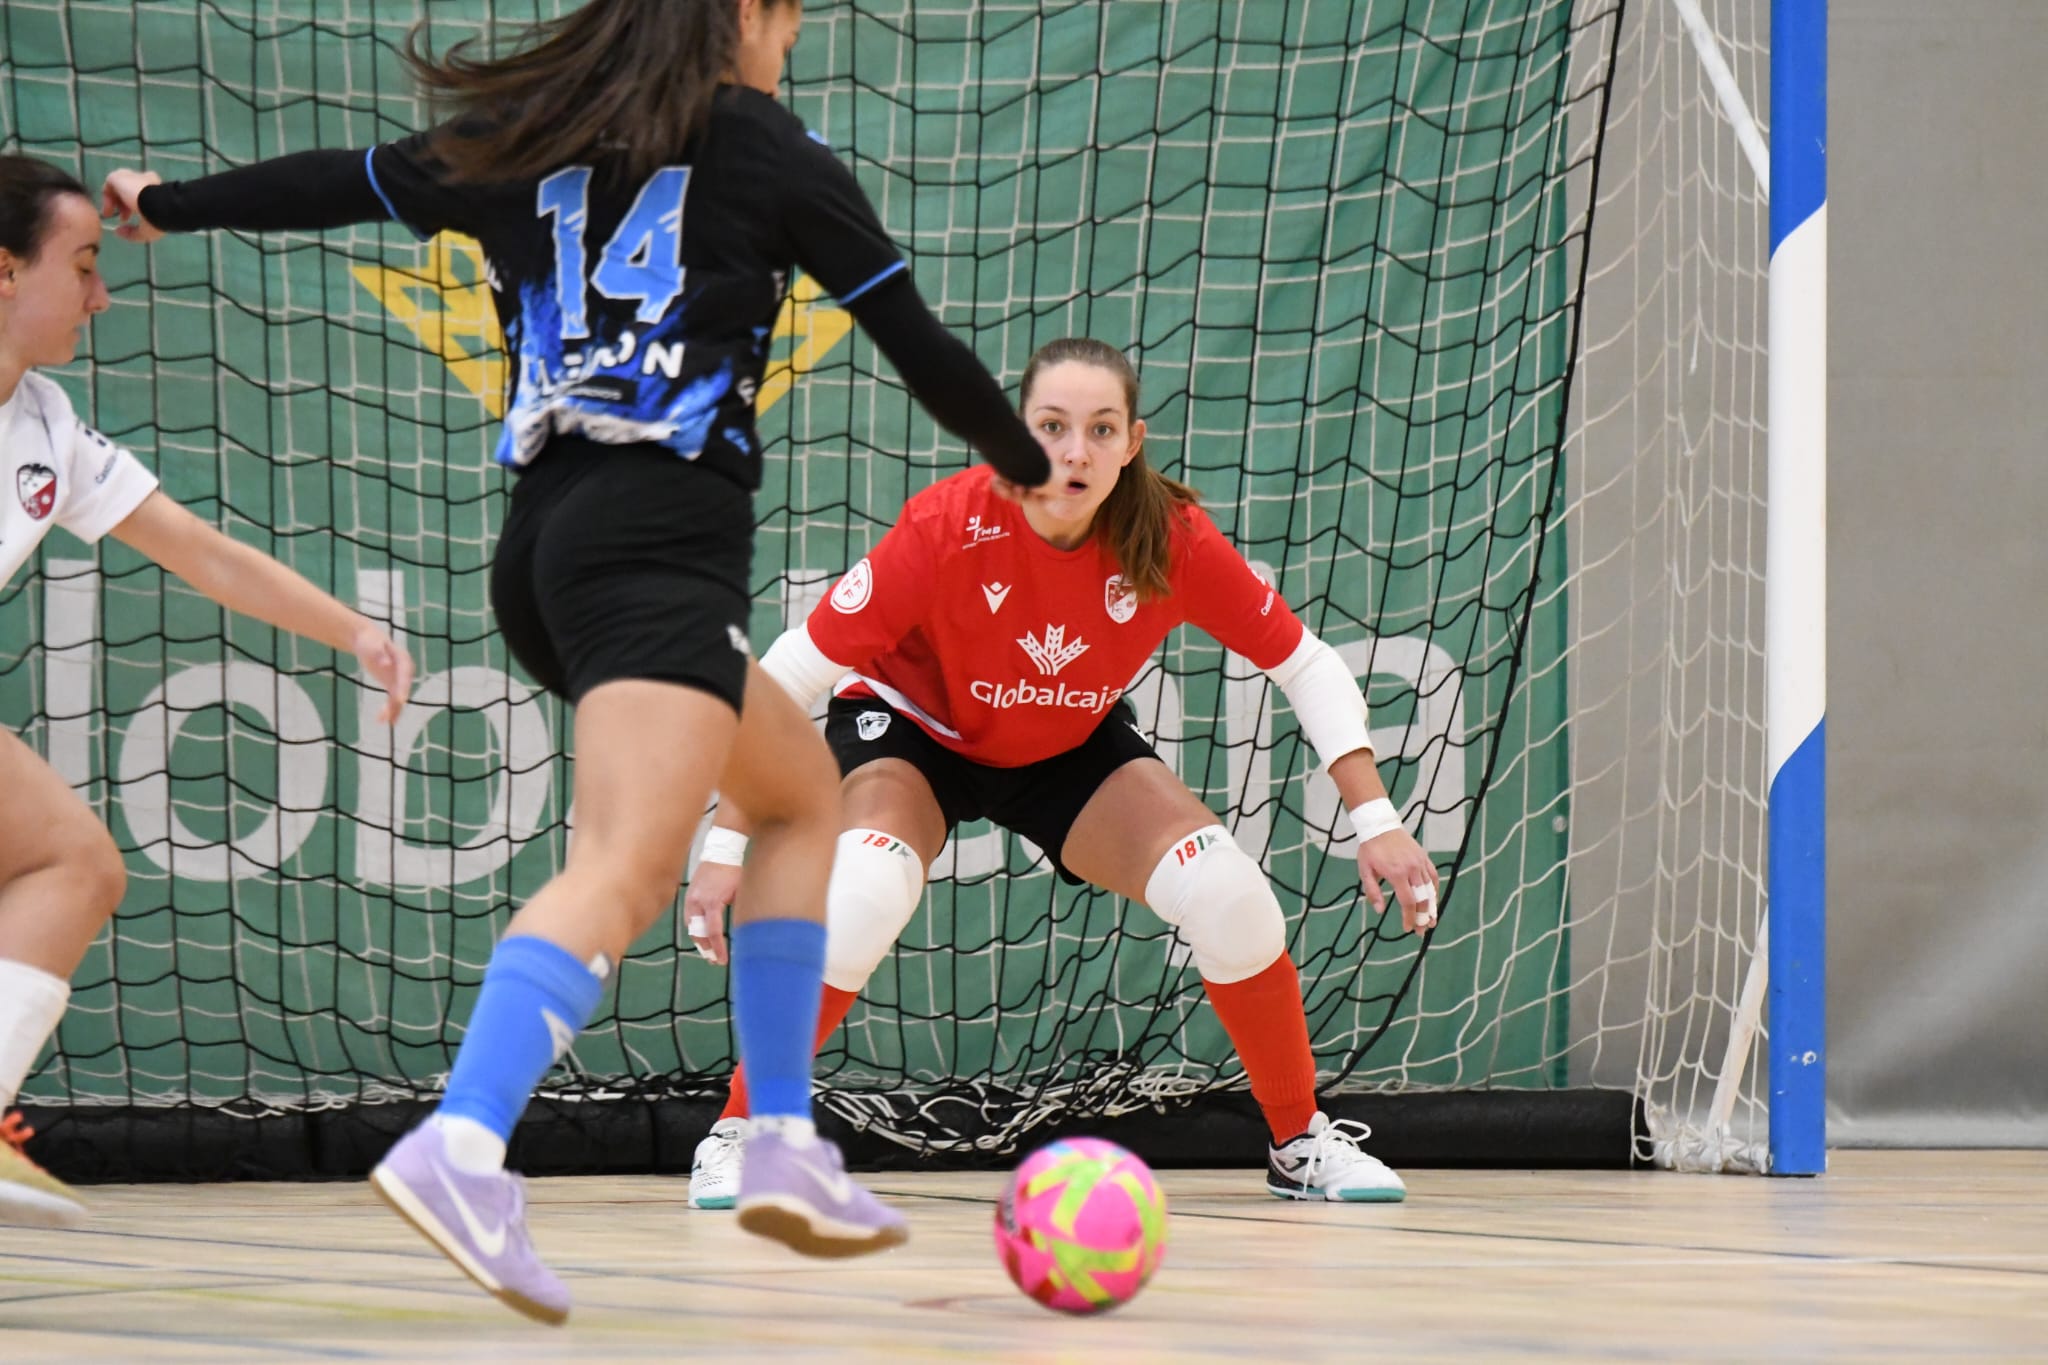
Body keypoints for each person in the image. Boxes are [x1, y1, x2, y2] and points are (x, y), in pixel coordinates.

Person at [103, 0, 1051, 1326]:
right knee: (620, 865)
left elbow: (334, 184)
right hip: (657, 549)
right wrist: (1029, 463)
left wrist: (169, 203)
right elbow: (926, 353)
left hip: (545, 554)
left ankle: (781, 1138)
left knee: (796, 796)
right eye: (788, 15)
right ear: (745, 18)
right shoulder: (769, 149)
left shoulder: (524, 134)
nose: (794, 39)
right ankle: (462, 1144)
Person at [685, 336, 1438, 1210]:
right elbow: (785, 676)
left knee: (1231, 897)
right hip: (913, 728)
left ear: (1132, 442)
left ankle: (1299, 1139)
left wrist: (1377, 821)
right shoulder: (946, 526)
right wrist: (729, 836)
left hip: (1062, 742)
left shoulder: (1169, 538)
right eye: (1051, 426)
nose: (1075, 452)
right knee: (864, 888)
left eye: (1100, 429)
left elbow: (1305, 664)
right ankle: (741, 1128)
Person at [0, 154, 414, 1228]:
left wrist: (354, 631)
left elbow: (198, 550)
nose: (100, 293)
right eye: (83, 263)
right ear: (3, 271)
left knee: (73, 863)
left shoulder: (42, 423)